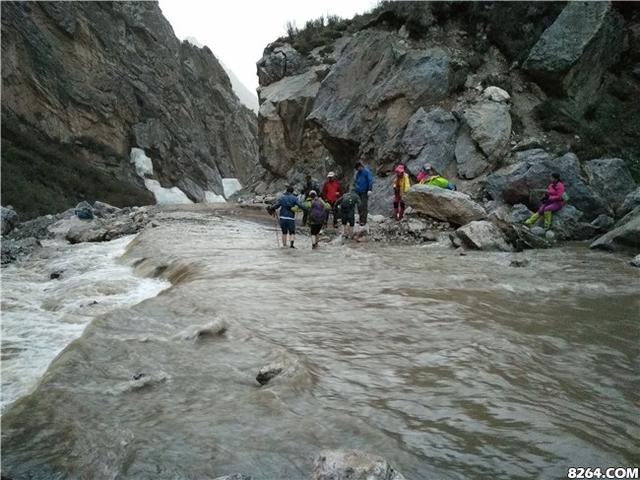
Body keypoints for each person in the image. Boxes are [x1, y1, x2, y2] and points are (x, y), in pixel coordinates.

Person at [354, 160, 374, 225]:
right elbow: (356, 182)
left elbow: (370, 180)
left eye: (358, 168)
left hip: (364, 192)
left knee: (364, 206)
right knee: (359, 206)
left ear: (360, 166)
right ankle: (360, 219)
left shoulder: (366, 172)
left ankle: (364, 220)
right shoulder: (358, 173)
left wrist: (370, 189)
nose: (357, 169)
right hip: (358, 192)